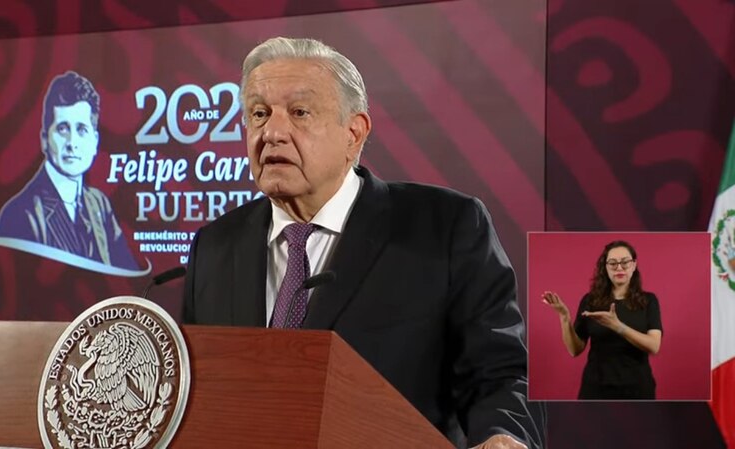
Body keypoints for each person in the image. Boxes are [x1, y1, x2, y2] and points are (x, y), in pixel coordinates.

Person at [182, 37, 544, 448]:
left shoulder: (445, 227)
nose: (273, 132)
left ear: (354, 133)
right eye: (259, 114)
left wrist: (504, 435)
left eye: (299, 112)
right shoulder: (215, 245)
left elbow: (500, 372)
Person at [0, 71, 138, 270]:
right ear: (44, 139)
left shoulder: (99, 204)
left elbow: (128, 278)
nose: (72, 143)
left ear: (95, 141)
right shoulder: (20, 214)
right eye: (62, 129)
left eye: (81, 130)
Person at [542, 240, 663, 400]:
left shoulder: (649, 301)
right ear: (605, 268)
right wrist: (564, 317)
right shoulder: (591, 301)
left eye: (625, 262)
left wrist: (618, 326)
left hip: (637, 388)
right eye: (612, 263)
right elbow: (574, 350)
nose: (619, 268)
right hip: (595, 387)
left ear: (633, 265)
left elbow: (654, 346)